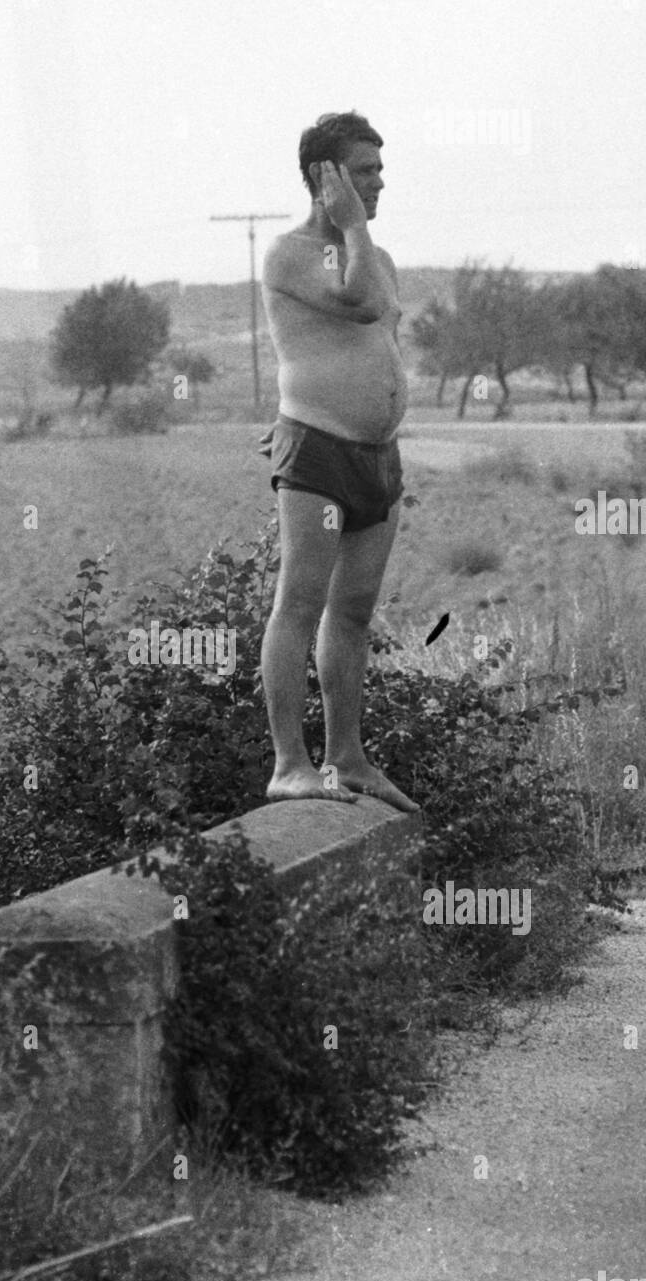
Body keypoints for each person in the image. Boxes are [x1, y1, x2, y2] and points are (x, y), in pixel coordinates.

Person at [259, 110, 418, 812]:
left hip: (378, 459)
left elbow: (365, 338)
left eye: (380, 171)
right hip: (319, 451)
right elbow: (354, 305)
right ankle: (290, 763)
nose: (378, 183)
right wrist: (351, 222)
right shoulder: (293, 252)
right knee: (300, 603)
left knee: (352, 614)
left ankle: (346, 758)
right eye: (363, 172)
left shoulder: (377, 256)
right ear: (325, 178)